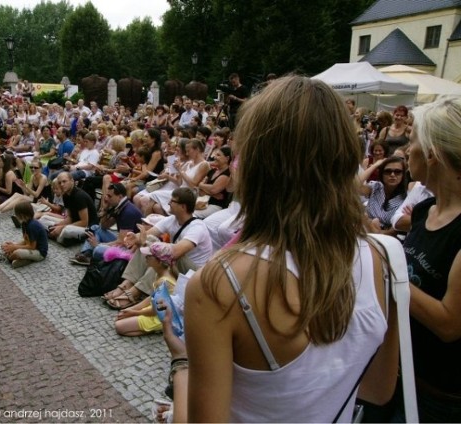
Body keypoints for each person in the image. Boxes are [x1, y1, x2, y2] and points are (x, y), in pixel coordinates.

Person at [162, 76, 399, 422]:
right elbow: (377, 388)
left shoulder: (222, 283)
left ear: (259, 164)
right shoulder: (382, 256)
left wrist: (181, 363)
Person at [401, 97, 461, 422]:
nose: (404, 151)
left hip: (444, 398)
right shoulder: (425, 210)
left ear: (433, 156)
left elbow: (449, 323)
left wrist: (390, 270)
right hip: (409, 375)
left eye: (411, 142)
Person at [105, 187, 213, 309]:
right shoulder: (172, 220)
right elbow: (149, 234)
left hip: (193, 273)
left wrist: (155, 247)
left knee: (164, 254)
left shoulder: (197, 227)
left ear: (183, 207)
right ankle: (127, 283)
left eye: (172, 201)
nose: (168, 203)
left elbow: (176, 252)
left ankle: (137, 291)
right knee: (150, 241)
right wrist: (135, 237)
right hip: (179, 265)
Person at [71, 182, 143, 265]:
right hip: (124, 243)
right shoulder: (121, 206)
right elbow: (104, 226)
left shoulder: (128, 212)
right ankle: (85, 253)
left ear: (119, 197)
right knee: (96, 228)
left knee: (98, 250)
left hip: (130, 249)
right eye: (107, 195)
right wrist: (105, 209)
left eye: (110, 196)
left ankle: (90, 258)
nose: (106, 198)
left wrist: (98, 244)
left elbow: (122, 242)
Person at [114, 242, 177, 337]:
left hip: (160, 316)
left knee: (119, 326)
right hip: (155, 309)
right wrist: (131, 309)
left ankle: (161, 328)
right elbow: (152, 297)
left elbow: (156, 311)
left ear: (159, 262)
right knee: (120, 318)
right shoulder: (159, 273)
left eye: (149, 256)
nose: (145, 258)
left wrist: (134, 312)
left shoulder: (164, 281)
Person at [38, 172, 98, 245]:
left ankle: (58, 236)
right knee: (43, 218)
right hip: (74, 222)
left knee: (66, 231)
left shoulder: (79, 196)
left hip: (87, 227)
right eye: (60, 183)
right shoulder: (65, 195)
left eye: (64, 181)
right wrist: (57, 225)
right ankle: (56, 234)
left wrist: (62, 227)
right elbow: (70, 217)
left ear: (72, 181)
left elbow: (84, 222)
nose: (62, 184)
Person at [0, 201, 48, 269]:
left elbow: (32, 247)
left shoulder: (32, 226)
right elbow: (26, 240)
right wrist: (12, 245)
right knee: (5, 245)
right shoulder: (24, 223)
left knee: (17, 252)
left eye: (16, 214)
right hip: (31, 246)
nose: (15, 215)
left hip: (39, 252)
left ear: (22, 215)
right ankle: (23, 259)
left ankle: (6, 257)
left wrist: (15, 247)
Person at [359, 156, 408, 234]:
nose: (392, 175)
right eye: (388, 171)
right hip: (366, 233)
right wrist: (375, 165)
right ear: (382, 174)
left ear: (403, 175)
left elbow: (393, 232)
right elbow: (354, 187)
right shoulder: (375, 187)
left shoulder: (407, 196)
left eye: (397, 172)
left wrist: (373, 229)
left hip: (388, 240)